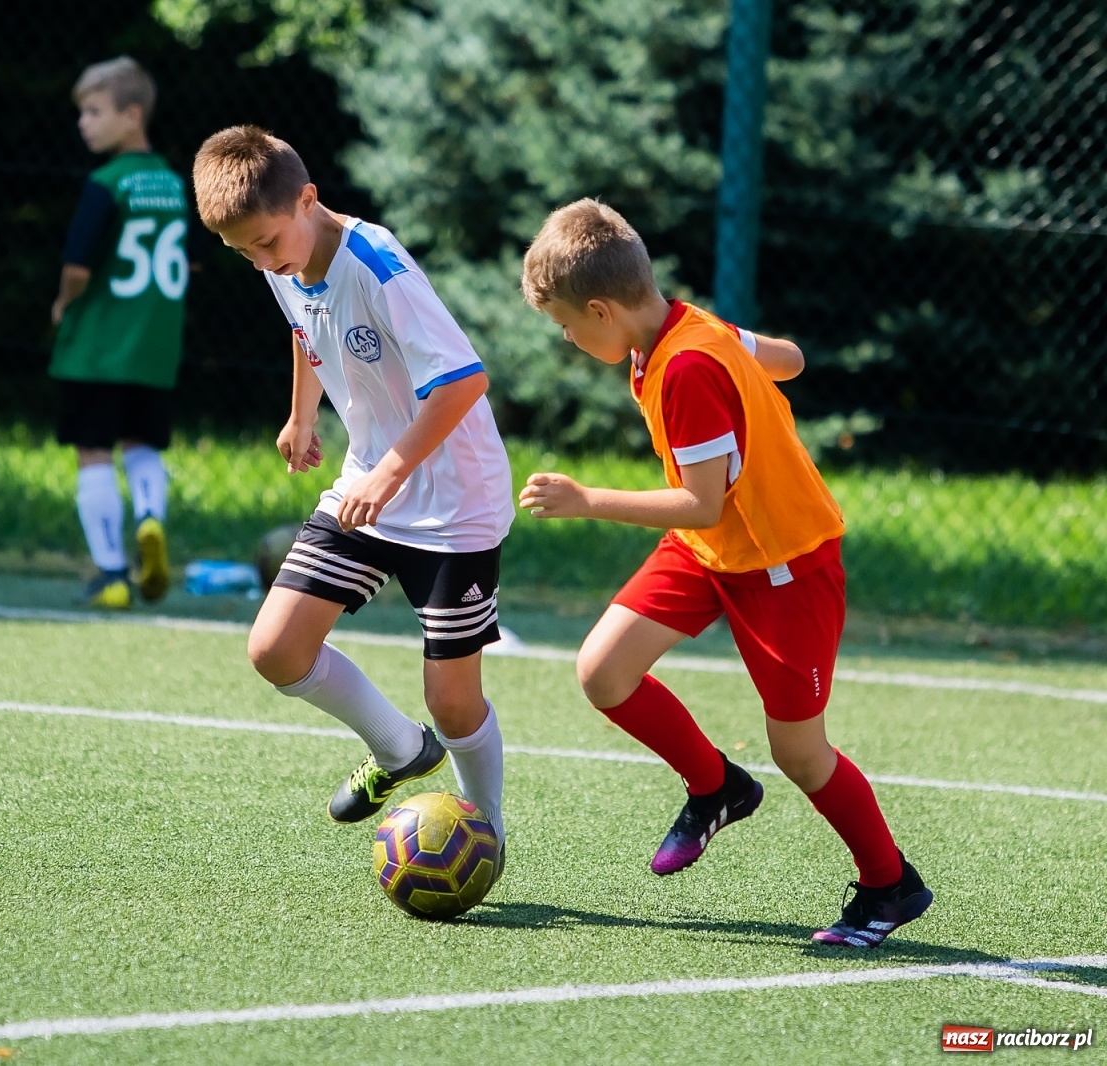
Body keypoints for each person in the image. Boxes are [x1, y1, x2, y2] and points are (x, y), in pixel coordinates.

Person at [516, 198, 931, 947]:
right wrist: (747, 363)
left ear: (604, 310)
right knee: (604, 673)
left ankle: (889, 885)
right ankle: (717, 787)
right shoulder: (680, 327)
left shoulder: (687, 367)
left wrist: (586, 499)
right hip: (714, 550)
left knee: (800, 753)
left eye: (567, 326)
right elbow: (791, 359)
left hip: (783, 565)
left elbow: (700, 503)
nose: (569, 340)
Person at [192, 126, 514, 856]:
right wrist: (302, 414)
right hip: (368, 483)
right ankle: (402, 750)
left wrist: (390, 472)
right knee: (276, 649)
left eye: (268, 244)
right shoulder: (281, 253)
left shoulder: (376, 263)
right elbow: (306, 331)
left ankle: (483, 826)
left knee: (454, 699)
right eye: (244, 253)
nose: (262, 262)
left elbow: (464, 380)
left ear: (308, 199)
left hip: (454, 505)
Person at [49, 56, 188, 609]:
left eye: (94, 111)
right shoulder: (177, 186)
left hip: (98, 351)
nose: (84, 123)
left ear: (133, 115)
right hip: (155, 350)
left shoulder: (106, 183)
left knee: (93, 453)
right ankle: (151, 518)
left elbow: (78, 267)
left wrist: (62, 303)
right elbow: (194, 262)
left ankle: (110, 574)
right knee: (143, 446)